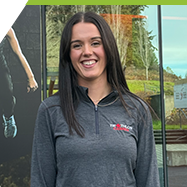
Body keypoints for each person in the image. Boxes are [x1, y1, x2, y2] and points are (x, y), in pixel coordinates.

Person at [31, 11, 160, 187]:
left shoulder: (136, 109)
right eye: (77, 45)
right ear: (68, 54)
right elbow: (41, 181)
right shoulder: (50, 110)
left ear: (108, 48)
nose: (87, 52)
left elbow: (149, 181)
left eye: (95, 43)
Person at [0, 1, 38, 138]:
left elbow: (19, 53)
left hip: (0, 68)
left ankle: (8, 116)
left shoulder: (5, 27)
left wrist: (31, 78)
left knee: (7, 93)